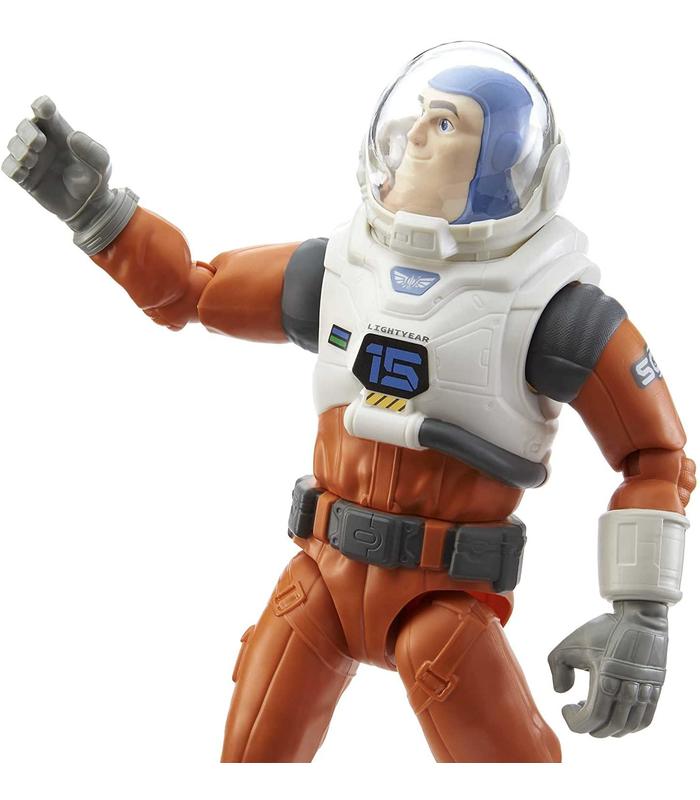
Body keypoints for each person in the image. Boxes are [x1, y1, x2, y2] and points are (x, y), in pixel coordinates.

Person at [3, 41, 694, 763]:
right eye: (419, 115)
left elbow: (657, 456)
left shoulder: (555, 310)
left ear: (501, 167)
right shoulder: (337, 269)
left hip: (442, 604)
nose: (413, 136)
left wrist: (642, 614)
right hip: (322, 581)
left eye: (446, 124)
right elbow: (191, 291)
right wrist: (100, 214)